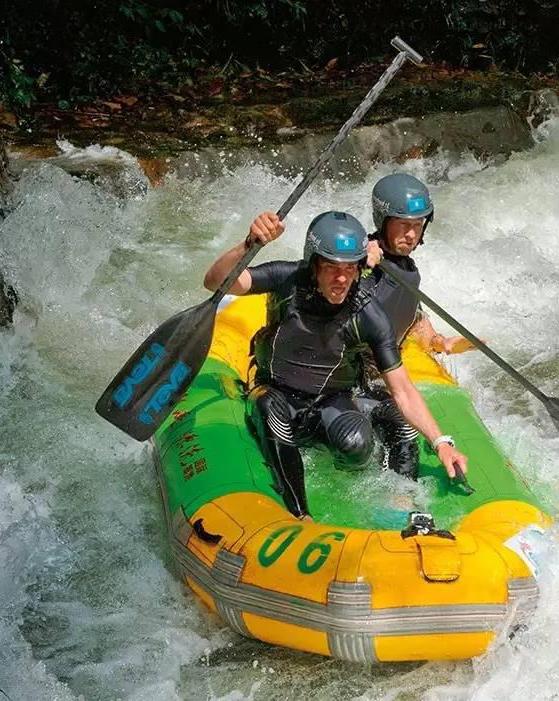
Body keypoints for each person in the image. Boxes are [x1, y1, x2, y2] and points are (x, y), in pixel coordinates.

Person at [202, 209, 467, 518]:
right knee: (269, 408)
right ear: (314, 265)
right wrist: (249, 243)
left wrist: (441, 442)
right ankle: (300, 515)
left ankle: (397, 498)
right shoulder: (286, 278)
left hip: (331, 401)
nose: (341, 279)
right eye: (331, 268)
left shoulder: (369, 314)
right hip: (275, 392)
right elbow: (215, 281)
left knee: (357, 445)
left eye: (350, 269)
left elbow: (403, 391)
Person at [358, 173, 477, 476]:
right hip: (344, 379)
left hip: (377, 377)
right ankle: (400, 504)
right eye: (403, 225)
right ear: (383, 221)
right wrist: (360, 260)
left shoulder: (408, 271)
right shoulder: (363, 260)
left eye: (418, 225)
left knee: (400, 427)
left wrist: (442, 343)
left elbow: (413, 317)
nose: (411, 234)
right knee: (401, 430)